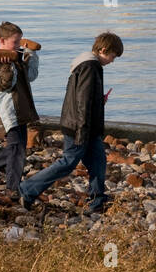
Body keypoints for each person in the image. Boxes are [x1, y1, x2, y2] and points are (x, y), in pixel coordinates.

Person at [20, 31, 123, 215]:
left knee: (98, 160)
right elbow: (82, 102)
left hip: (85, 126)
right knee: (68, 163)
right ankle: (28, 189)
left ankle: (97, 199)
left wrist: (99, 101)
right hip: (80, 126)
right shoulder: (90, 67)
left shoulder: (85, 64)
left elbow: (82, 98)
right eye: (113, 56)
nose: (113, 61)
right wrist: (81, 131)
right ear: (103, 49)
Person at [0, 21, 39, 197]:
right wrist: (7, 66)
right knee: (17, 149)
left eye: (20, 42)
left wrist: (31, 54)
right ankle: (12, 188)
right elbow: (5, 85)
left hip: (19, 110)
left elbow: (31, 76)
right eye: (16, 42)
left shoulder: (16, 58)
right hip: (7, 113)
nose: (19, 46)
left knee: (17, 147)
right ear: (3, 41)